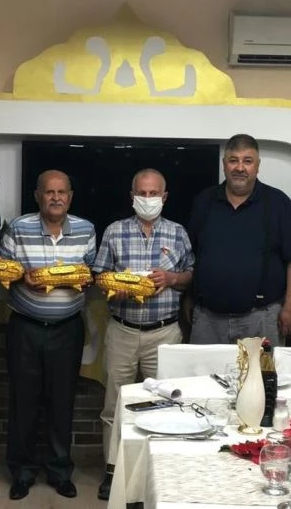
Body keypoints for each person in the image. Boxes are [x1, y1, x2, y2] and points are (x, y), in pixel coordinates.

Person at [93, 168, 195, 500]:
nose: (147, 199)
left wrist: (172, 278)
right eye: (142, 193)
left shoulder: (178, 232)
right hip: (123, 330)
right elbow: (98, 276)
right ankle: (113, 472)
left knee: (165, 406)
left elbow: (192, 274)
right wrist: (114, 287)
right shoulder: (115, 231)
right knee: (115, 405)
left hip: (164, 332)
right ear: (132, 196)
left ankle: (159, 473)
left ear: (164, 197)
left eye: (153, 194)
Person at [0, 170, 96, 500]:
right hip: (25, 327)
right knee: (23, 402)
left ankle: (59, 471)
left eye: (62, 192)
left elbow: (92, 273)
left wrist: (78, 279)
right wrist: (20, 278)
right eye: (49, 192)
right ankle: (22, 472)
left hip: (67, 328)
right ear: (37, 196)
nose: (56, 198)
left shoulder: (86, 229)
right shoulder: (18, 227)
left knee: (61, 402)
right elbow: (2, 271)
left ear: (70, 197)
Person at [188, 134, 291, 346]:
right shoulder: (204, 201)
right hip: (207, 320)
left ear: (257, 166)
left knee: (260, 370)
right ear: (224, 164)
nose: (240, 167)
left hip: (262, 318)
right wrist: (188, 299)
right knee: (203, 370)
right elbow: (192, 256)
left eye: (247, 161)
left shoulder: (278, 203)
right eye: (233, 160)